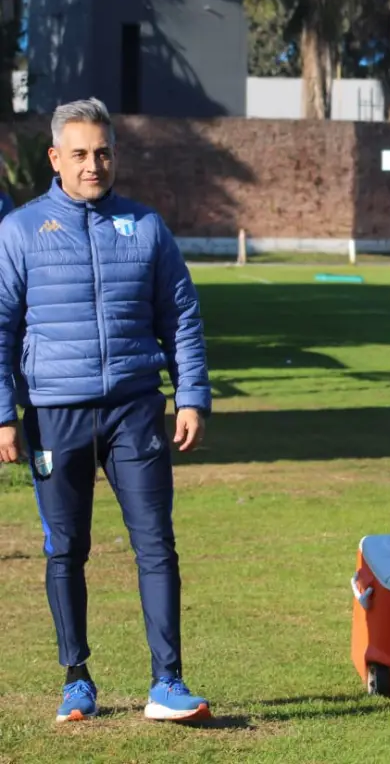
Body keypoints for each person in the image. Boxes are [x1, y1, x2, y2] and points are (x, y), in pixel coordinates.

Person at [0, 98, 213, 723]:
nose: (94, 164)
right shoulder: (19, 232)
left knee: (156, 544)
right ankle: (77, 681)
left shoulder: (145, 226)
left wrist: (191, 395)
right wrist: (4, 414)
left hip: (135, 411)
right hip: (53, 414)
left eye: (103, 152)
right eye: (81, 154)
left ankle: (167, 684)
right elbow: (2, 328)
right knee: (66, 548)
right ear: (55, 159)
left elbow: (182, 319)